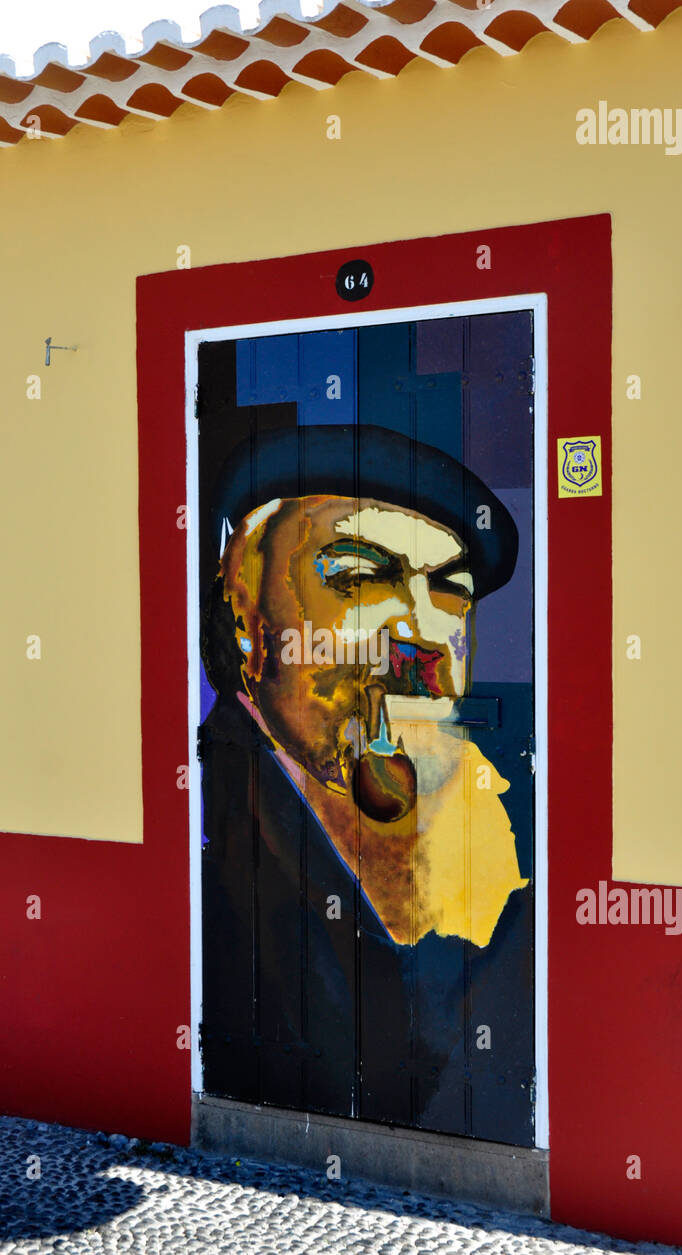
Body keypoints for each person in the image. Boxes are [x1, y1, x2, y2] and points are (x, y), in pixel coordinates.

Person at [199, 424, 534, 1142]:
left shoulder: (504, 819)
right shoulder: (203, 819)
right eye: (357, 577)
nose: (417, 624)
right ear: (246, 619)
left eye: (449, 589)